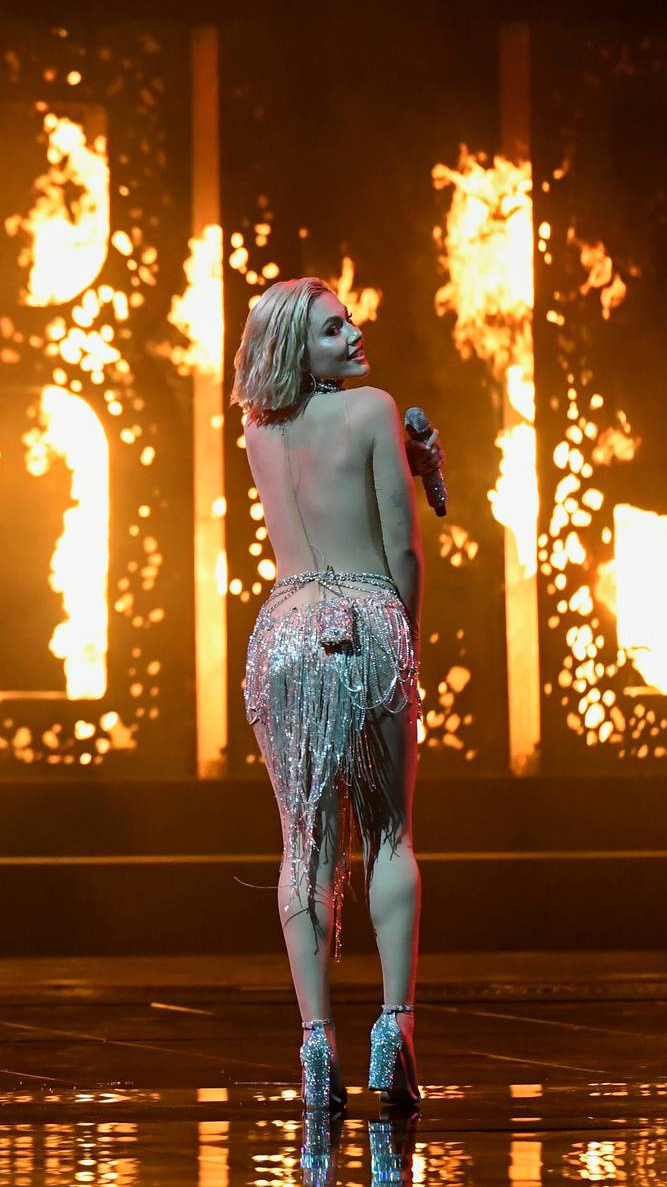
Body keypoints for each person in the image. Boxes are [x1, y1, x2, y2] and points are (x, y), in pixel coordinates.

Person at [230, 276, 442, 1112]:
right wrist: (405, 641)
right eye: (330, 331)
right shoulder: (373, 409)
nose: (353, 333)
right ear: (295, 348)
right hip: (365, 618)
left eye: (349, 318)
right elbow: (401, 543)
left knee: (303, 846)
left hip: (282, 634)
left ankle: (316, 1042)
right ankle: (394, 1026)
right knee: (389, 837)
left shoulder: (257, 430)